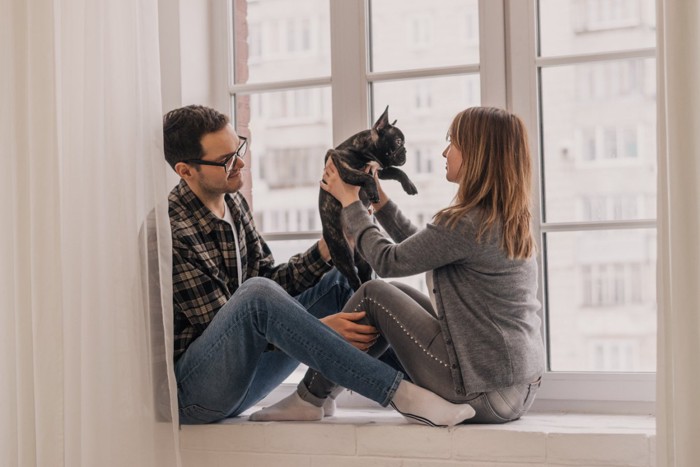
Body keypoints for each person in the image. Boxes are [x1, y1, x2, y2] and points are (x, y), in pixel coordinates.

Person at [163, 104, 475, 426]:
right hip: (204, 393)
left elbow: (272, 282)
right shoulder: (172, 229)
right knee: (256, 295)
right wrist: (318, 329)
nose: (240, 163)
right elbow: (229, 326)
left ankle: (423, 385)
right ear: (186, 171)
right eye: (226, 160)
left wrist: (329, 249)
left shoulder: (233, 202)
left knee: (343, 281)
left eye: (238, 149)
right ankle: (401, 395)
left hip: (254, 376)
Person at [250, 106, 545, 424]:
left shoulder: (468, 222)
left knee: (374, 293)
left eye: (453, 142)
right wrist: (378, 201)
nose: (445, 151)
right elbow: (424, 248)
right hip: (515, 390)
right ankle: (320, 396)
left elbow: (387, 261)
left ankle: (310, 398)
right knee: (393, 293)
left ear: (477, 153)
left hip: (482, 394)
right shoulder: (501, 216)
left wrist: (351, 202)